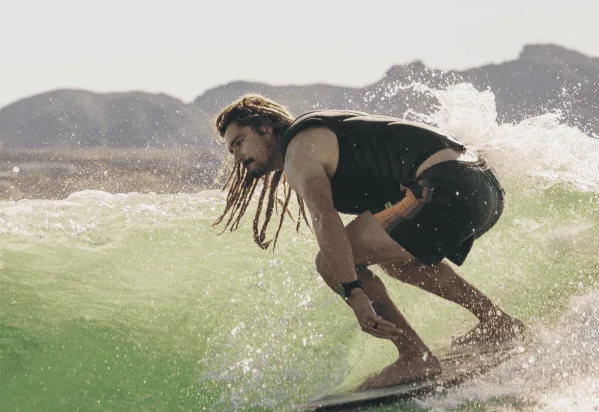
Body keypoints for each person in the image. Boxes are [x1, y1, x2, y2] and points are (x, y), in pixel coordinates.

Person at [215, 94, 523, 389]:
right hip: (482, 188)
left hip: (446, 186)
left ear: (265, 128)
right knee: (398, 264)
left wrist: (353, 291)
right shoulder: (321, 133)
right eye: (231, 151)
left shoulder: (299, 149)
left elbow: (324, 217)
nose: (237, 157)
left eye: (239, 143)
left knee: (330, 264)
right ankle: (497, 323)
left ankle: (415, 356)